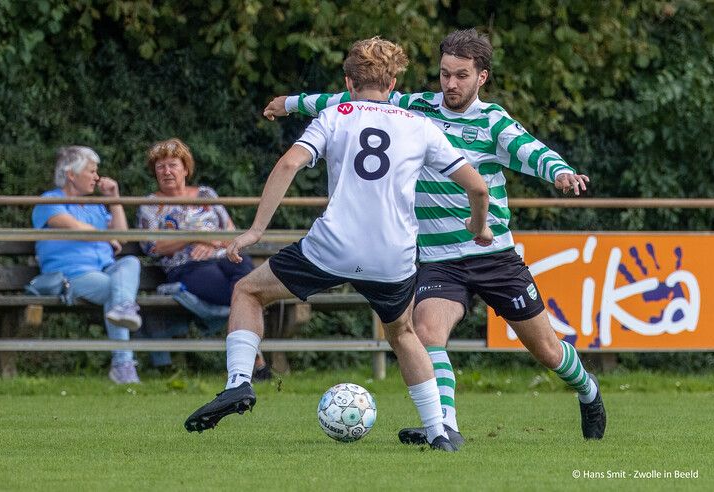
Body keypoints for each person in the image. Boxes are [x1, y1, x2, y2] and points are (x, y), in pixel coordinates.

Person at [264, 28, 606, 446]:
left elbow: (531, 151)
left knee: (548, 352)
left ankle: (588, 391)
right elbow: (348, 100)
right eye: (445, 74)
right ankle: (444, 427)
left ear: (482, 77)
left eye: (461, 75)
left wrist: (561, 172)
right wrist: (289, 104)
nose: (450, 84)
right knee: (427, 334)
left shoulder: (492, 122)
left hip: (493, 254)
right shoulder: (415, 109)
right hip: (438, 259)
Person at [184, 37, 493, 452]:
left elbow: (290, 162)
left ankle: (239, 383)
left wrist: (256, 230)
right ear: (394, 82)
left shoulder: (336, 115)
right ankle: (439, 430)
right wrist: (479, 226)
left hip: (333, 246)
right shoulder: (420, 125)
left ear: (349, 81)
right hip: (393, 256)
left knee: (248, 291)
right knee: (403, 334)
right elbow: (477, 188)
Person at [136, 138, 268, 378]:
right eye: (160, 166)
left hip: (223, 256)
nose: (166, 171)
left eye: (172, 165)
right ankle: (254, 361)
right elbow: (152, 247)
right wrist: (191, 239)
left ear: (185, 168)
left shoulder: (206, 194)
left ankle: (247, 361)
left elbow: (231, 233)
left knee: (246, 279)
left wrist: (212, 242)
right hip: (186, 267)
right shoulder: (151, 205)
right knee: (240, 295)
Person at [31, 146, 142, 384]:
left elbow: (122, 236)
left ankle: (123, 310)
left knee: (131, 262)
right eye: (91, 171)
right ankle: (123, 365)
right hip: (72, 275)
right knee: (113, 288)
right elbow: (73, 227)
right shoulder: (49, 201)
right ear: (71, 174)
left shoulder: (94, 207)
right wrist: (104, 235)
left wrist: (114, 200)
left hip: (105, 269)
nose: (96, 177)